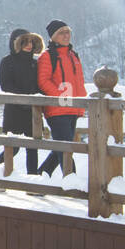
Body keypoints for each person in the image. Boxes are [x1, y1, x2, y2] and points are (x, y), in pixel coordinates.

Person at [36, 19, 87, 177]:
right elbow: (43, 81)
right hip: (57, 109)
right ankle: (73, 183)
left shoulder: (73, 55)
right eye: (61, 33)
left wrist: (81, 100)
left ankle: (40, 176)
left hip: (74, 107)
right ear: (53, 37)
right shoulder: (47, 56)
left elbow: (78, 81)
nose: (66, 35)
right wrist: (60, 96)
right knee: (65, 148)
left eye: (68, 32)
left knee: (62, 146)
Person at [0, 28, 44, 174]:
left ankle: (33, 181)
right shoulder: (7, 61)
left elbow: (40, 85)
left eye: (31, 41)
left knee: (33, 147)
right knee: (12, 147)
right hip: (14, 110)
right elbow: (6, 85)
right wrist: (25, 97)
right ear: (16, 43)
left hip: (32, 111)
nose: (29, 45)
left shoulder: (35, 63)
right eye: (24, 42)